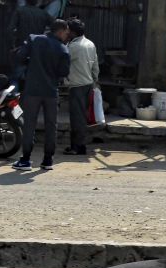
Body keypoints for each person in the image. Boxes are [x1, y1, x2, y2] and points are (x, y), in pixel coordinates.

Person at [13, 20, 71, 171]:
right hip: (51, 92)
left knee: (29, 125)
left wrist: (31, 64)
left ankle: (25, 160)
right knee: (51, 125)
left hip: (32, 90)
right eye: (66, 32)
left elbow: (20, 56)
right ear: (60, 31)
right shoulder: (63, 49)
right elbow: (64, 72)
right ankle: (47, 160)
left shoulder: (34, 39)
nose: (67, 35)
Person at [65, 18, 99, 155]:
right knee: (82, 117)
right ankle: (79, 145)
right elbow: (95, 66)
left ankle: (77, 147)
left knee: (77, 118)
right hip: (88, 85)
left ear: (72, 32)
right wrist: (95, 81)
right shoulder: (90, 44)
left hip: (77, 86)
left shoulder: (73, 47)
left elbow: (62, 62)